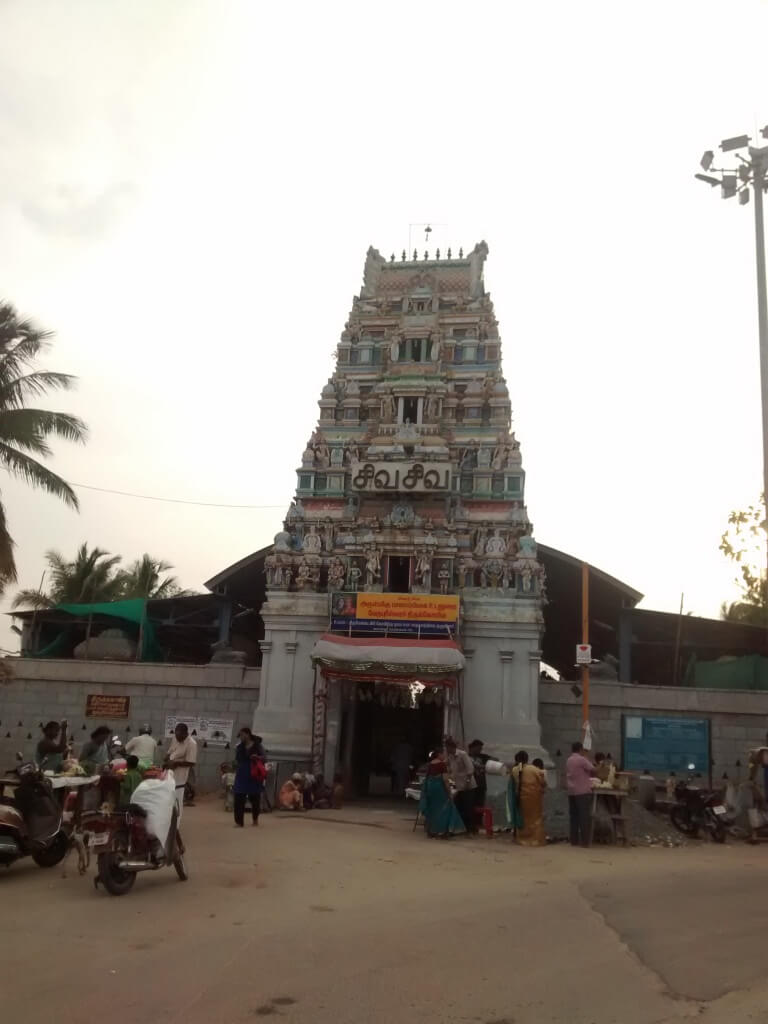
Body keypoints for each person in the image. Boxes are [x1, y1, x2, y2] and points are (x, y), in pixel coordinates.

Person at [419, 750, 465, 838]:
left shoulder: (430, 764)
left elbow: (427, 777)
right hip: (439, 788)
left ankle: (432, 830)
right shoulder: (441, 764)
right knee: (446, 808)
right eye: (443, 754)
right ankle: (443, 831)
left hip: (430, 788)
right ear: (439, 754)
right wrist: (449, 793)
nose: (444, 756)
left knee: (433, 809)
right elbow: (445, 780)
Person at [510, 750, 547, 846]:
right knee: (535, 819)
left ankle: (521, 839)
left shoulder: (514, 770)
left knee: (522, 818)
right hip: (535, 797)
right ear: (527, 759)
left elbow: (513, 785)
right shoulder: (534, 769)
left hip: (521, 797)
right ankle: (536, 840)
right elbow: (543, 783)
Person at [233, 726, 266, 827]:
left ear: (247, 734)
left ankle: (255, 819)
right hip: (242, 773)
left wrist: (257, 757)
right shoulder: (239, 747)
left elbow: (264, 758)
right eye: (240, 736)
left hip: (254, 773)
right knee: (238, 796)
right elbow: (237, 760)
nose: (241, 737)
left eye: (242, 735)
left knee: (255, 797)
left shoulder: (257, 746)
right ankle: (239, 822)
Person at [164, 723, 198, 820]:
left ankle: (176, 827)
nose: (177, 738)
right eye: (176, 735)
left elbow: (191, 762)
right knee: (168, 800)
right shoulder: (175, 738)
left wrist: (176, 764)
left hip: (180, 778)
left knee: (177, 802)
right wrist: (167, 757)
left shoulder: (192, 744)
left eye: (179, 737)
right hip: (169, 773)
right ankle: (167, 822)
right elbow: (170, 750)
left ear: (185, 733)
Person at [566, 741, 597, 847]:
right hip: (582, 791)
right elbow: (593, 769)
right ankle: (585, 842)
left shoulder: (569, 760)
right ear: (580, 749)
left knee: (574, 817)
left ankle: (574, 841)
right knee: (584, 817)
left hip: (571, 791)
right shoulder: (582, 759)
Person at [444, 737, 477, 833]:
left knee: (468, 807)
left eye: (447, 748)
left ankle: (471, 829)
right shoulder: (450, 757)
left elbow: (470, 770)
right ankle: (460, 828)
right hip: (458, 786)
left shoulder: (462, 754)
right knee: (458, 807)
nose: (446, 750)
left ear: (451, 747)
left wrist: (467, 782)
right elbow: (449, 769)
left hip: (468, 786)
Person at [468, 738, 489, 808]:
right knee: (471, 806)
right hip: (471, 787)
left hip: (481, 786)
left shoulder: (482, 757)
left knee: (480, 807)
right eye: (479, 748)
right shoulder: (466, 758)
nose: (480, 750)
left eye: (481, 749)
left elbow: (495, 759)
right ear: (473, 747)